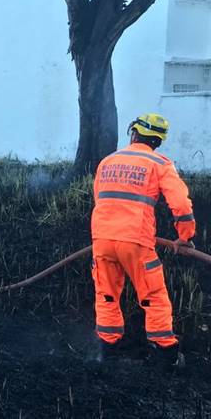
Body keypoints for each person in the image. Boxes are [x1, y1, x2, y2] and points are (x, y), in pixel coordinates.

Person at [91, 113, 196, 367]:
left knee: (106, 295)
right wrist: (185, 236)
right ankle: (167, 355)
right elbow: (181, 203)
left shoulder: (108, 161)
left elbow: (100, 198)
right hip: (136, 241)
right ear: (157, 141)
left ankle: (107, 351)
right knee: (153, 295)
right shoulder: (159, 163)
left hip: (102, 239)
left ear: (134, 133)